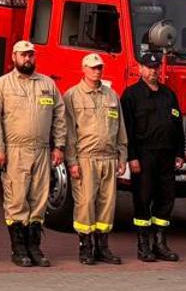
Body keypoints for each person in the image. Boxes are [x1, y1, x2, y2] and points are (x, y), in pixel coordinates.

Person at [0, 39, 66, 268]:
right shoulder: (2, 85)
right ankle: (18, 249)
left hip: (41, 151)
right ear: (14, 57)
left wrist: (59, 146)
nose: (27, 59)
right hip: (14, 151)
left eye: (31, 55)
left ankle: (35, 248)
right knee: (17, 200)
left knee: (39, 201)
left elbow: (60, 116)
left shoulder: (47, 85)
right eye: (23, 55)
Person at [61, 53, 127, 265]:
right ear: (84, 69)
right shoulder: (72, 96)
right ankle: (85, 247)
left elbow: (120, 129)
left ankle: (103, 247)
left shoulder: (111, 96)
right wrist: (72, 161)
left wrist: (122, 155)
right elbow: (69, 132)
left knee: (107, 204)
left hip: (108, 158)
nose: (97, 71)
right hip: (85, 159)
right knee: (85, 203)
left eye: (99, 67)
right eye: (92, 68)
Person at [120, 50, 183, 262]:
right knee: (143, 198)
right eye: (149, 67)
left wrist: (179, 153)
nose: (153, 71)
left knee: (166, 199)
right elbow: (126, 129)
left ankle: (160, 243)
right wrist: (132, 157)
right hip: (144, 155)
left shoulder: (169, 94)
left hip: (166, 155)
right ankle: (143, 245)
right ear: (141, 69)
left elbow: (176, 126)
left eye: (156, 68)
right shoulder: (131, 95)